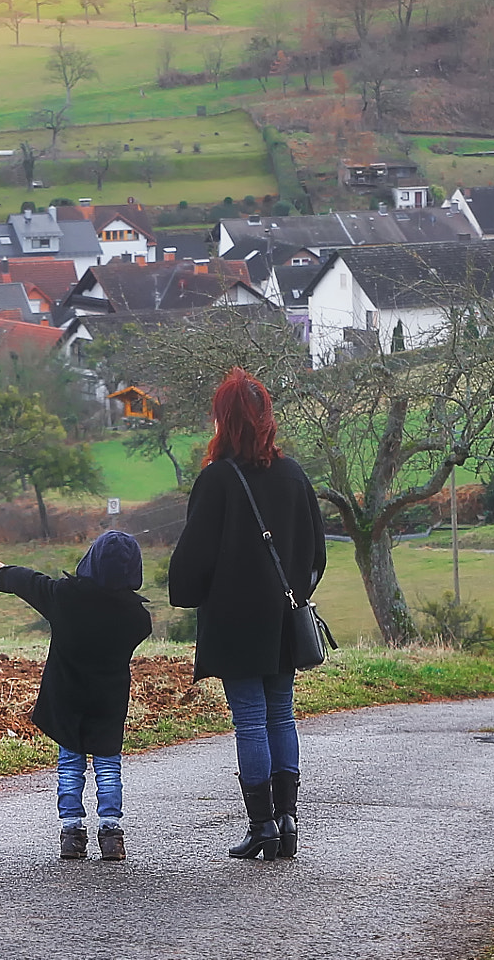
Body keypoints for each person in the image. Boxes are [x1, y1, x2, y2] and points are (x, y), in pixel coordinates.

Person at [169, 367, 326, 863]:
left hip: (236, 624)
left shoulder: (217, 481)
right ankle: (288, 822)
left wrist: (191, 594)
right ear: (266, 419)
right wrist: (295, 591)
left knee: (251, 723)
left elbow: (191, 562)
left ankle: (261, 827)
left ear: (224, 420)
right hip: (284, 619)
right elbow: (318, 555)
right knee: (282, 716)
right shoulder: (295, 475)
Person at [0, 531, 152, 861]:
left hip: (67, 699)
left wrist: (4, 573)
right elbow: (140, 628)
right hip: (108, 703)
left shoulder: (65, 597)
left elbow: (31, 582)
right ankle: (111, 835)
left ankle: (72, 833)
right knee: (108, 767)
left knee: (69, 765)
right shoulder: (136, 617)